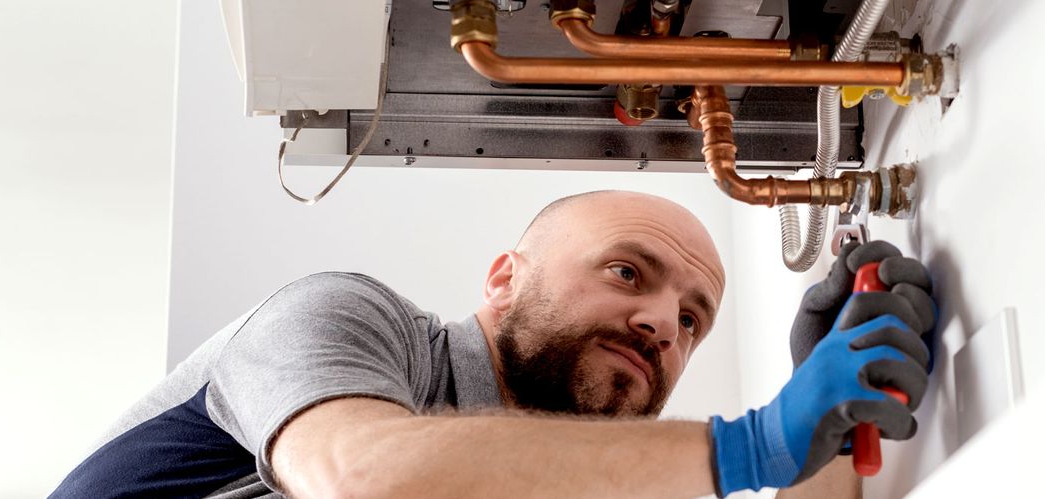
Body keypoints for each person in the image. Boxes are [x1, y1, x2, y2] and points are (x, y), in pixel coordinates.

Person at [51, 190, 935, 498]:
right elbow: (361, 478)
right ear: (505, 279)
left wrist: (821, 428)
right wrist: (756, 442)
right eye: (630, 272)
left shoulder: (560, 484)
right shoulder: (343, 319)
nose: (666, 324)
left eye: (693, 319)